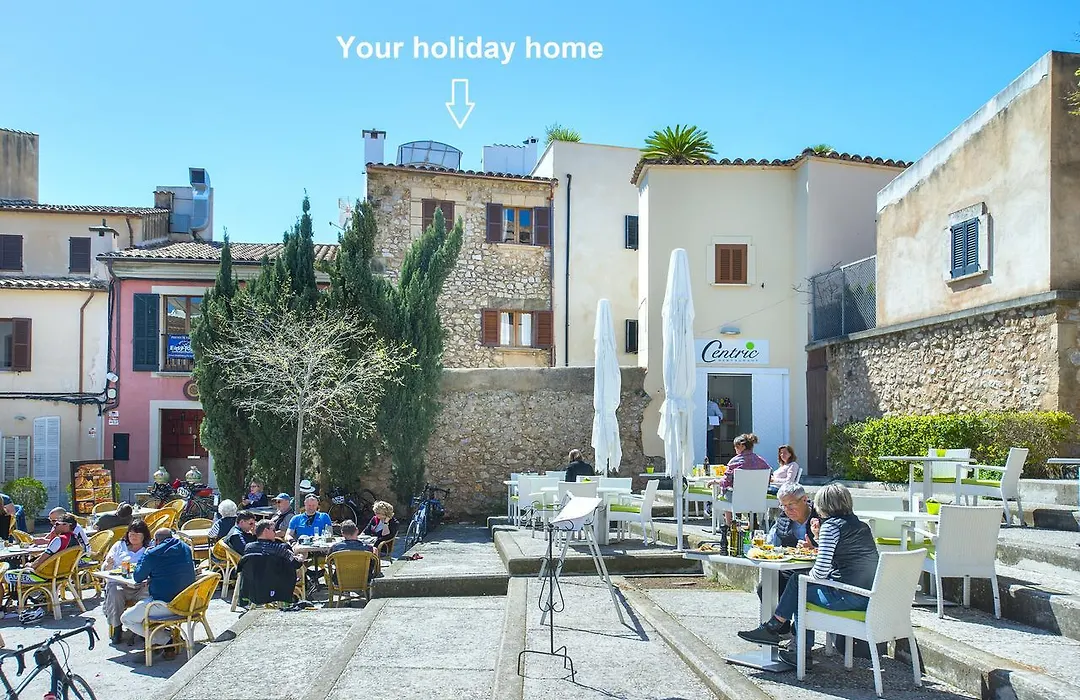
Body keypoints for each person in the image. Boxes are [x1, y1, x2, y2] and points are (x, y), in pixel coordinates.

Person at [737, 484, 880, 668]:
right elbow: (845, 555)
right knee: (801, 583)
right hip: (868, 596)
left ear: (824, 504)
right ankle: (778, 631)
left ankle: (791, 644)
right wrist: (818, 539)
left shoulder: (831, 526)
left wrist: (806, 576)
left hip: (847, 597)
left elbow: (819, 573)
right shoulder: (861, 526)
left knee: (799, 583)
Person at [121, 528, 197, 659]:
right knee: (144, 603)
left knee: (127, 618)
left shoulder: (152, 554)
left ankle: (165, 640)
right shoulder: (185, 548)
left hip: (165, 605)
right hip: (188, 603)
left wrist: (145, 555)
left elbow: (138, 577)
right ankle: (164, 638)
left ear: (156, 541)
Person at [102, 520, 152, 643]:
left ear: (144, 535)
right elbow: (105, 568)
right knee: (114, 592)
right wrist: (109, 565)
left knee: (148, 594)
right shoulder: (119, 546)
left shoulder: (149, 548)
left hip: (141, 585)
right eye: (131, 534)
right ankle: (117, 627)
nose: (133, 537)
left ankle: (141, 627)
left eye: (137, 534)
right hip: (121, 583)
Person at [708, 433, 771, 524]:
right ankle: (751, 523)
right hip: (757, 498)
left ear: (742, 446)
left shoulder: (735, 461)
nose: (735, 449)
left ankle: (729, 524)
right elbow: (769, 477)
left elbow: (726, 481)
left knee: (724, 492)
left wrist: (715, 481)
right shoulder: (761, 461)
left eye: (736, 447)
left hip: (737, 499)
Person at [4, 514, 79, 590]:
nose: (54, 526)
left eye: (57, 524)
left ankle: (17, 595)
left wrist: (30, 565)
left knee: (5, 575)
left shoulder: (59, 540)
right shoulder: (75, 540)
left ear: (66, 525)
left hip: (43, 576)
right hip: (62, 575)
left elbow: (41, 560)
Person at [238, 520, 303, 605]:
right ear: (265, 530)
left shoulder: (249, 547)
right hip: (276, 588)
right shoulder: (279, 548)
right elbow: (296, 564)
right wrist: (300, 558)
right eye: (273, 530)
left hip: (253, 588)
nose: (275, 533)